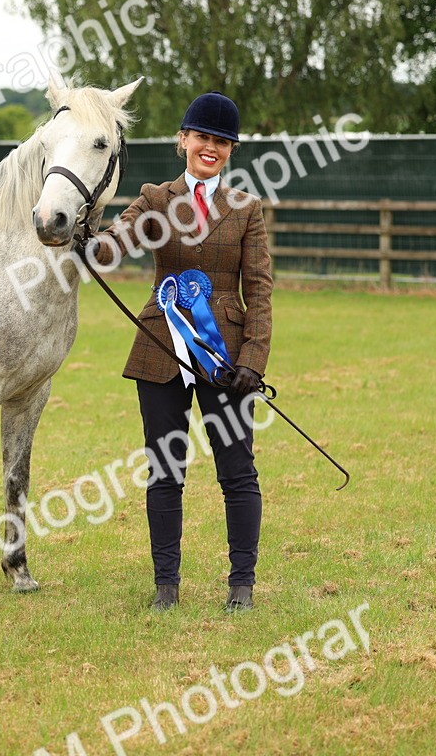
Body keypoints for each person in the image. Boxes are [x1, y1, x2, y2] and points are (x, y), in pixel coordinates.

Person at [88, 91, 272, 613]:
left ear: (230, 150)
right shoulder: (155, 198)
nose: (210, 148)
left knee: (237, 470)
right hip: (160, 348)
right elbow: (118, 241)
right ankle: (165, 585)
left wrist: (253, 361)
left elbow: (258, 290)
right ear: (184, 141)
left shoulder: (246, 210)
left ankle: (242, 584)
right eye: (202, 138)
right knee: (165, 470)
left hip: (226, 358)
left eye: (221, 141)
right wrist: (91, 240)